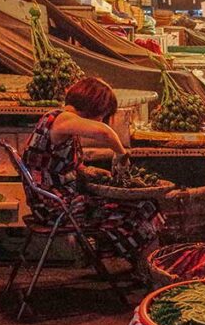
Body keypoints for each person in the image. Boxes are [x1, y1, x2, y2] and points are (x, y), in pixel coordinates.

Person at [22, 77, 163, 273]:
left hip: (47, 204)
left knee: (136, 207)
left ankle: (125, 259)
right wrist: (121, 155)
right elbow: (105, 133)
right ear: (94, 107)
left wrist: (87, 171)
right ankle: (150, 270)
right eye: (103, 114)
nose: (101, 119)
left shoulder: (55, 120)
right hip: (57, 209)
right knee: (142, 207)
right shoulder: (61, 119)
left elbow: (55, 164)